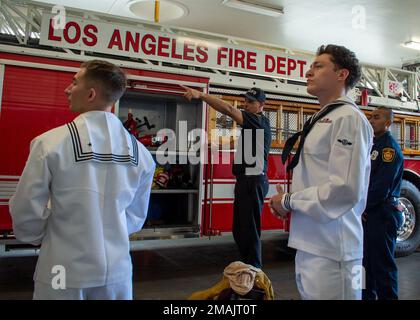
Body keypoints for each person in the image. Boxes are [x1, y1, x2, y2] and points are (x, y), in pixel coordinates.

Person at [9, 60, 155, 300]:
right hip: (117, 273)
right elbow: (135, 217)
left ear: (91, 94)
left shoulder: (49, 144)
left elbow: (26, 210)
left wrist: (46, 236)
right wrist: (105, 231)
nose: (68, 89)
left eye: (74, 82)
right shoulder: (142, 155)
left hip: (62, 271)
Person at [270, 44, 373, 299]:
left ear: (342, 74)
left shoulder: (348, 118)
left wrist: (288, 201)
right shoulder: (319, 119)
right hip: (309, 243)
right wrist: (288, 201)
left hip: (334, 251)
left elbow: (344, 189)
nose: (308, 72)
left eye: (319, 66)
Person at [182, 85, 271, 269]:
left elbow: (229, 110)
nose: (246, 105)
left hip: (253, 181)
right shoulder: (253, 124)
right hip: (246, 181)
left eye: (251, 102)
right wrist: (217, 145)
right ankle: (246, 269)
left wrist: (201, 95)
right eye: (245, 101)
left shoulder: (257, 121)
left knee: (250, 231)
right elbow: (241, 141)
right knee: (240, 230)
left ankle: (254, 273)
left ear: (261, 105)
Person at [363, 107, 404, 300]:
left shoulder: (389, 149)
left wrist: (361, 208)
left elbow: (381, 187)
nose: (371, 120)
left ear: (388, 123)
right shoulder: (371, 144)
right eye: (370, 117)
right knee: (362, 266)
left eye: (376, 117)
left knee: (382, 267)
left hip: (381, 214)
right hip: (367, 214)